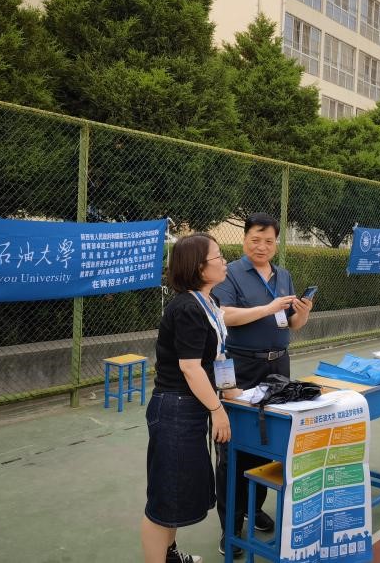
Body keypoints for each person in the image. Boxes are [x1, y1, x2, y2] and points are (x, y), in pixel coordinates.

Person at [212, 213, 313, 556]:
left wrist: (304, 310)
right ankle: (231, 524)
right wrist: (267, 307)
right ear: (244, 239)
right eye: (256, 239)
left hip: (278, 366)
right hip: (241, 366)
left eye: (269, 241)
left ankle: (254, 509)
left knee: (269, 441)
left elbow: (291, 324)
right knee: (233, 449)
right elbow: (224, 315)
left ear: (276, 243)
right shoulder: (230, 273)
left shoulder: (283, 275)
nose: (262, 246)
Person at [141, 233, 232, 563]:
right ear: (199, 267)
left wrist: (232, 392)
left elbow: (216, 357)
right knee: (164, 499)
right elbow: (191, 368)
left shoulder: (208, 302)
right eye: (218, 256)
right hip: (175, 409)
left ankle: (170, 555)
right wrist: (218, 409)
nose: (224, 261)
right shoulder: (187, 308)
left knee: (175, 494)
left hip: (189, 408)